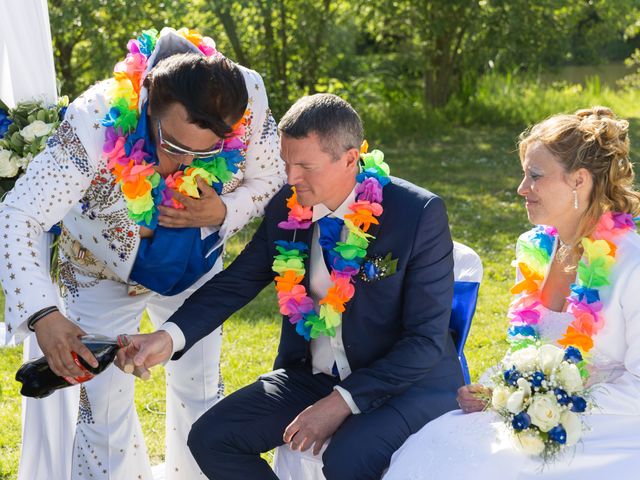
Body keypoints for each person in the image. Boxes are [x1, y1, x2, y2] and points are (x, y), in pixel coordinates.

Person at [115, 93, 464, 479]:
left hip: (403, 384)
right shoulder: (288, 206)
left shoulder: (417, 214)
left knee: (347, 460)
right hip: (312, 376)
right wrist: (167, 337)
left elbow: (424, 341)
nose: (290, 177)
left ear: (350, 159)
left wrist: (341, 402)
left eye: (305, 166)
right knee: (212, 437)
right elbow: (236, 283)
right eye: (285, 162)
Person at [0, 27, 284, 479]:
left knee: (201, 387)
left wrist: (223, 209)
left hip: (195, 262)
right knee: (104, 407)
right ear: (149, 101)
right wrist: (43, 315)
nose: (187, 163)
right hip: (98, 270)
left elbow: (271, 178)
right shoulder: (93, 120)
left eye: (207, 150)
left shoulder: (246, 93)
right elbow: (18, 214)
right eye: (173, 147)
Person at [384, 106, 640, 479]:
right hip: (535, 416)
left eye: (535, 176)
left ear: (579, 181)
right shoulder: (535, 248)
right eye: (524, 175)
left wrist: (551, 402)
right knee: (432, 444)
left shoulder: (631, 263)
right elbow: (529, 349)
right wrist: (497, 390)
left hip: (608, 425)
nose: (522, 189)